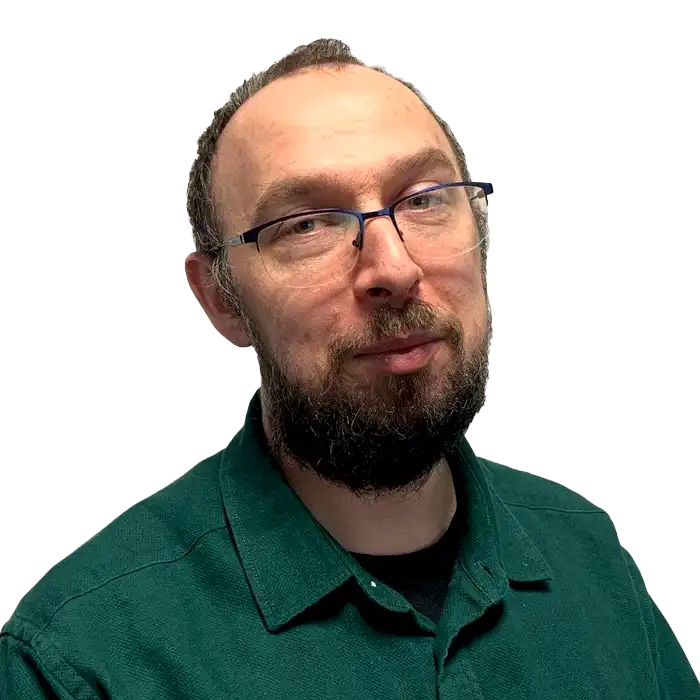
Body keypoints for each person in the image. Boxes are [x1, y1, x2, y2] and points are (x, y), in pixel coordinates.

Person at [1, 37, 697, 700]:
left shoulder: (587, 552)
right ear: (221, 301)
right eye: (306, 224)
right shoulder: (79, 661)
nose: (394, 267)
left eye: (424, 199)